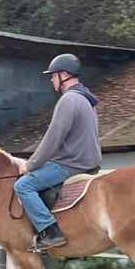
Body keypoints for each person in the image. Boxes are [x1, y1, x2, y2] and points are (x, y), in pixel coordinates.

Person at [14, 53, 102, 252]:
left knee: (23, 186)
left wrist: (30, 165)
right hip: (89, 162)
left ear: (64, 74)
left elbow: (53, 139)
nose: (51, 80)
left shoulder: (68, 100)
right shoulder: (86, 99)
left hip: (70, 164)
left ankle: (50, 232)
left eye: (53, 75)